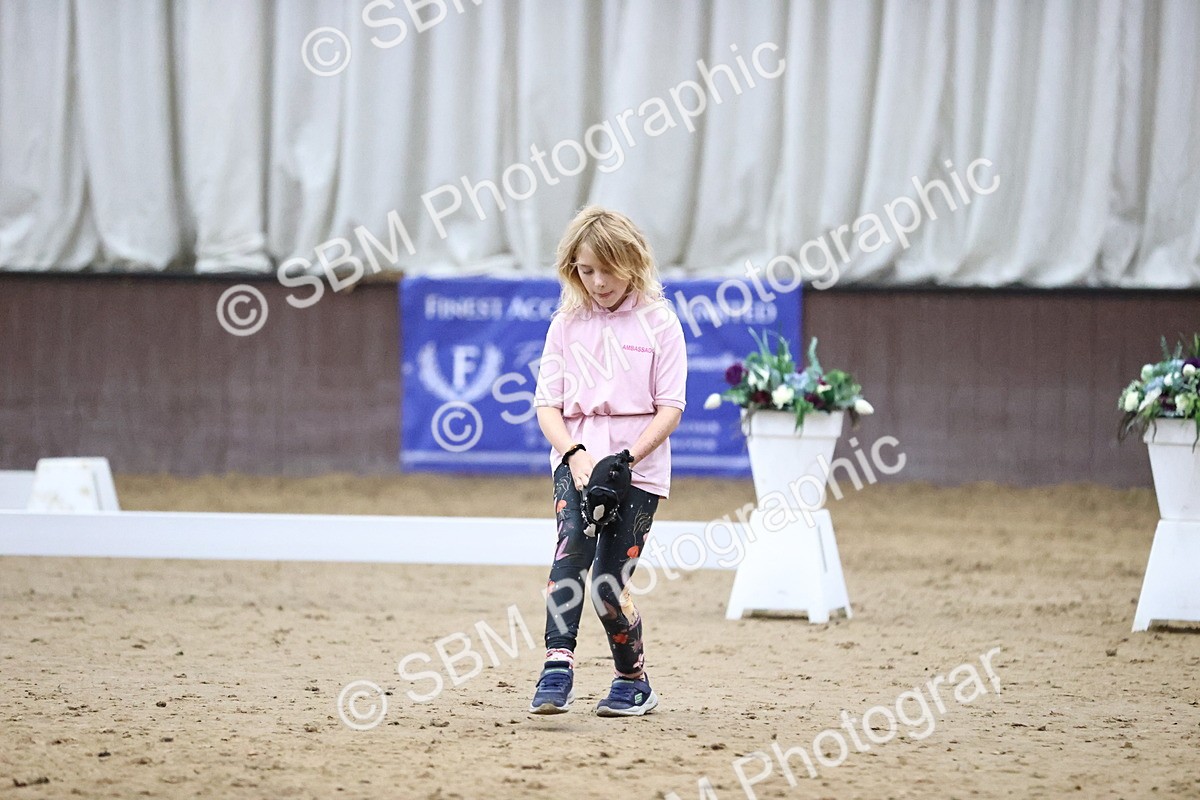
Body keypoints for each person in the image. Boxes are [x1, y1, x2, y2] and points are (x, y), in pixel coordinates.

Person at [529, 205, 687, 716]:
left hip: (636, 467)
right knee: (571, 549)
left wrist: (624, 459)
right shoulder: (565, 325)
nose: (597, 282)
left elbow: (671, 407)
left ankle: (633, 680)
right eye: (585, 269)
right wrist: (575, 455)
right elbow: (546, 405)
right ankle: (557, 666)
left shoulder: (660, 322)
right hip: (576, 457)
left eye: (607, 268)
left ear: (632, 261)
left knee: (606, 584)